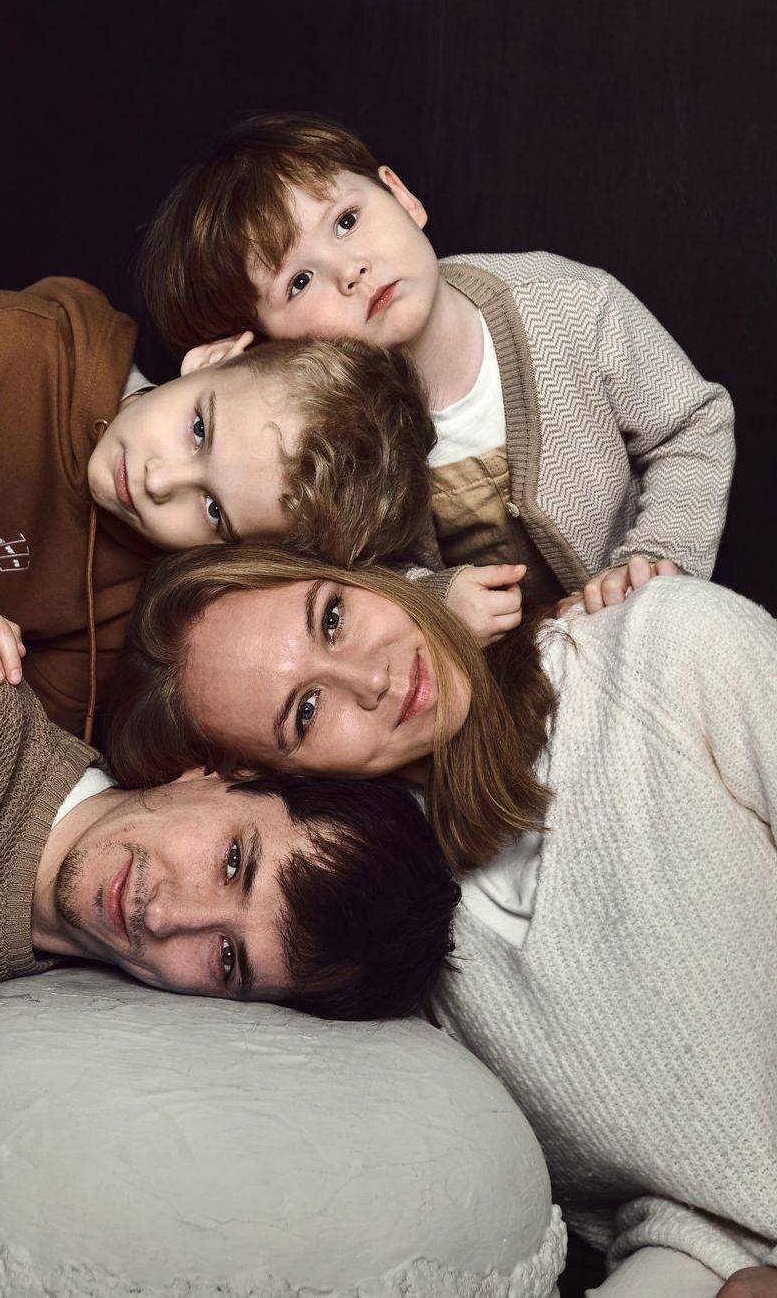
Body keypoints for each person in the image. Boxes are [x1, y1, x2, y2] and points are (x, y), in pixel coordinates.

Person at [107, 545, 777, 1292]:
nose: (373, 680)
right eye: (307, 711)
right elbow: (701, 1210)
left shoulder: (662, 648)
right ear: (269, 782)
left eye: (333, 617)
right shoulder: (399, 948)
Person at [0, 625, 457, 1251]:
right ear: (222, 772)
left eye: (227, 958)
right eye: (232, 862)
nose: (167, 916)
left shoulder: (52, 1029)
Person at [137, 113, 734, 643]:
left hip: (636, 626)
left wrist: (653, 558)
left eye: (346, 221)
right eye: (298, 282)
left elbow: (692, 424)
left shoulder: (569, 305)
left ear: (401, 196)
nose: (350, 270)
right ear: (269, 351)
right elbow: (342, 578)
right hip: (493, 692)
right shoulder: (307, 457)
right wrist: (434, 601)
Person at [0, 277, 434, 737]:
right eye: (199, 429)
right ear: (214, 358)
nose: (157, 479)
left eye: (212, 510)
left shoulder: (134, 605)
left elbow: (17, 727)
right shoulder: (9, 348)